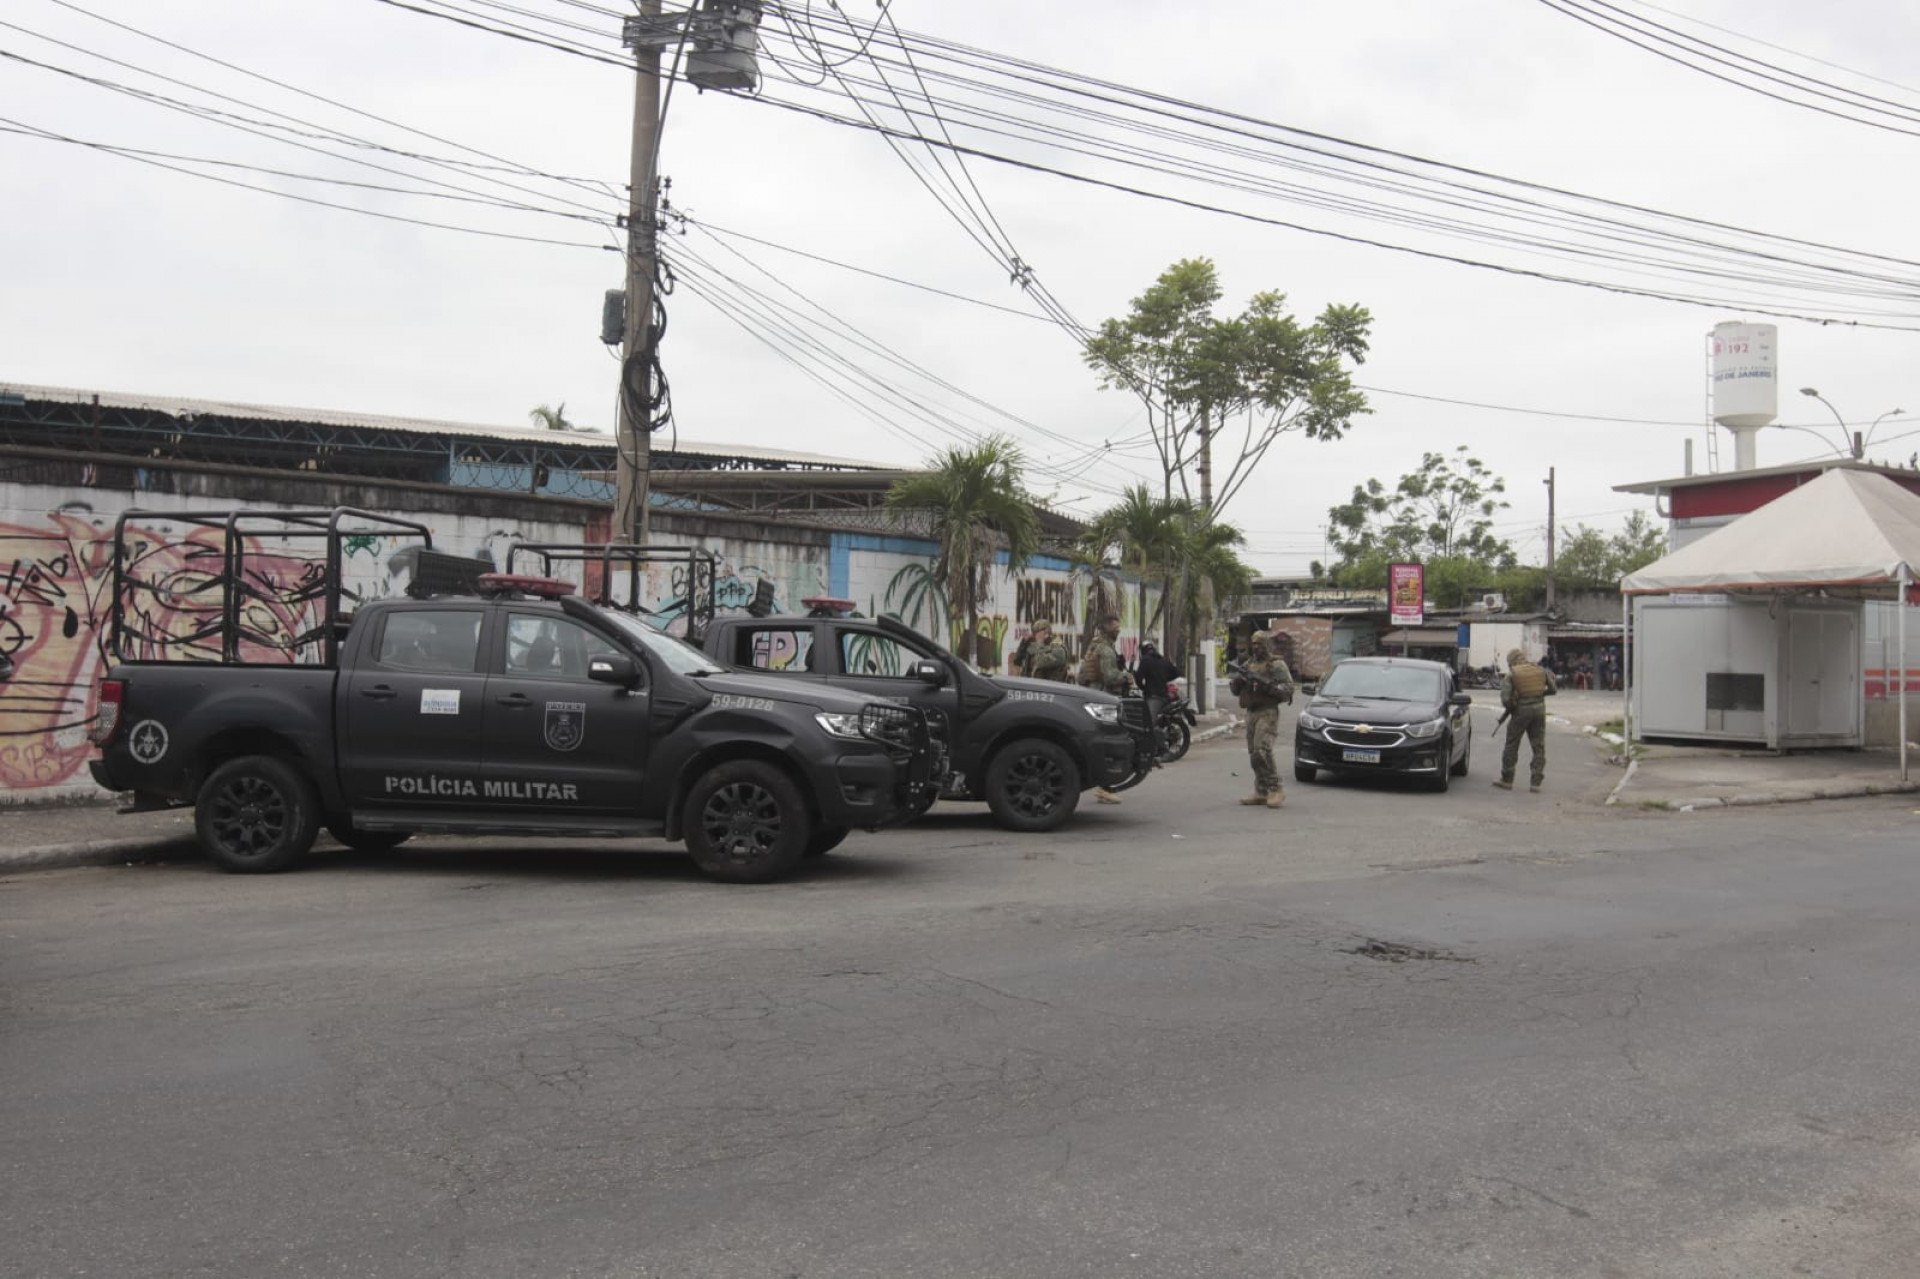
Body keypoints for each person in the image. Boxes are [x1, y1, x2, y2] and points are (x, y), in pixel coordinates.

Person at [1077, 615, 1132, 803]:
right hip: (1103, 700)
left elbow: (1081, 674)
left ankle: (1102, 786)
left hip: (1090, 697)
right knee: (1108, 743)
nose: (1118, 630)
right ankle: (1105, 788)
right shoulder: (1106, 650)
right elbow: (1110, 677)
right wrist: (1126, 676)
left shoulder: (1093, 646)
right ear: (1108, 629)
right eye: (1116, 628)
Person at [1234, 631, 1292, 809]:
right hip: (1251, 711)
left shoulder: (1276, 665)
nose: (1256, 647)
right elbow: (1235, 690)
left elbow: (1288, 689)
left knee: (1262, 749)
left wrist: (1268, 687)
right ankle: (1261, 790)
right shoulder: (1249, 664)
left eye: (1259, 643)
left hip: (1267, 712)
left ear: (1266, 645)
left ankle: (1276, 788)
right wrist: (1240, 681)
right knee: (1254, 753)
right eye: (1254, 643)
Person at [1494, 646, 1558, 793]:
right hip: (1540, 711)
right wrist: (1538, 696)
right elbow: (1553, 690)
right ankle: (1535, 783)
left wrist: (1515, 703)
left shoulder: (1512, 675)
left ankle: (1507, 780)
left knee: (1511, 745)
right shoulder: (1539, 670)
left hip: (1521, 712)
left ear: (1512, 662)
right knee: (1538, 747)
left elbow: (1506, 700)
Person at [1134, 639, 1181, 765]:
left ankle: (1165, 751)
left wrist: (1143, 687)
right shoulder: (1162, 659)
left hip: (1155, 697)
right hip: (1163, 695)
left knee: (1149, 723)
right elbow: (1177, 672)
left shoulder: (1146, 660)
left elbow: (1138, 677)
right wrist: (1164, 678)